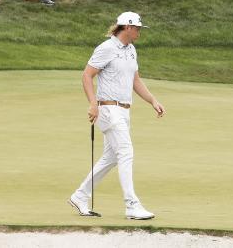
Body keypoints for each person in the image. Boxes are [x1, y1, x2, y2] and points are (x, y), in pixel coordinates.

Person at [68, 11, 163, 221]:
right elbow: (87, 75)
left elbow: (135, 80)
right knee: (126, 152)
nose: (139, 31)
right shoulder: (106, 48)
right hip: (109, 110)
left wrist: (153, 101)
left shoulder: (131, 50)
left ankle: (80, 196)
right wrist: (93, 104)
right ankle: (132, 205)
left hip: (124, 110)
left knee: (111, 157)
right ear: (127, 27)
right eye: (137, 28)